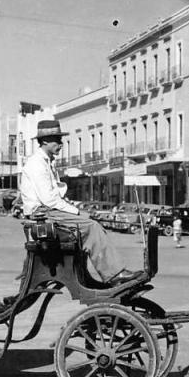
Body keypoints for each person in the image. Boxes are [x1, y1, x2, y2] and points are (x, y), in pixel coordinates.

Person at [20, 120, 138, 286]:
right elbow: (49, 199)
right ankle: (114, 274)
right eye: (57, 140)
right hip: (44, 213)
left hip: (49, 211)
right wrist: (77, 212)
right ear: (45, 141)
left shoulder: (47, 162)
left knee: (94, 224)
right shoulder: (37, 164)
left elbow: (55, 197)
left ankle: (110, 271)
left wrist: (75, 209)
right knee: (91, 227)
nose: (61, 144)